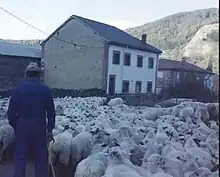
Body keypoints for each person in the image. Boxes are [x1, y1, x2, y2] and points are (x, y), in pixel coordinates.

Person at [7, 62, 56, 177]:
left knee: (20, 156)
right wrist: (49, 130)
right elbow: (51, 113)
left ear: (26, 74)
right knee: (41, 156)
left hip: (22, 125)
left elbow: (10, 112)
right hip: (39, 125)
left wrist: (16, 126)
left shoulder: (17, 90)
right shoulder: (46, 90)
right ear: (39, 75)